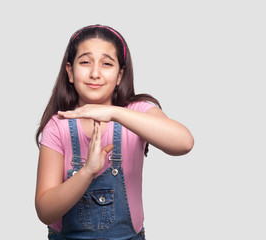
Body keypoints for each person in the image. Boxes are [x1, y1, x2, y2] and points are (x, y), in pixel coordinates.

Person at [35, 24, 194, 240]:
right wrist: (86, 172)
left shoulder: (139, 112)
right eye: (85, 62)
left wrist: (113, 112)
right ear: (70, 72)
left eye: (106, 64)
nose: (95, 73)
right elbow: (45, 211)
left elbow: (184, 143)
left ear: (120, 76)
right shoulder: (58, 125)